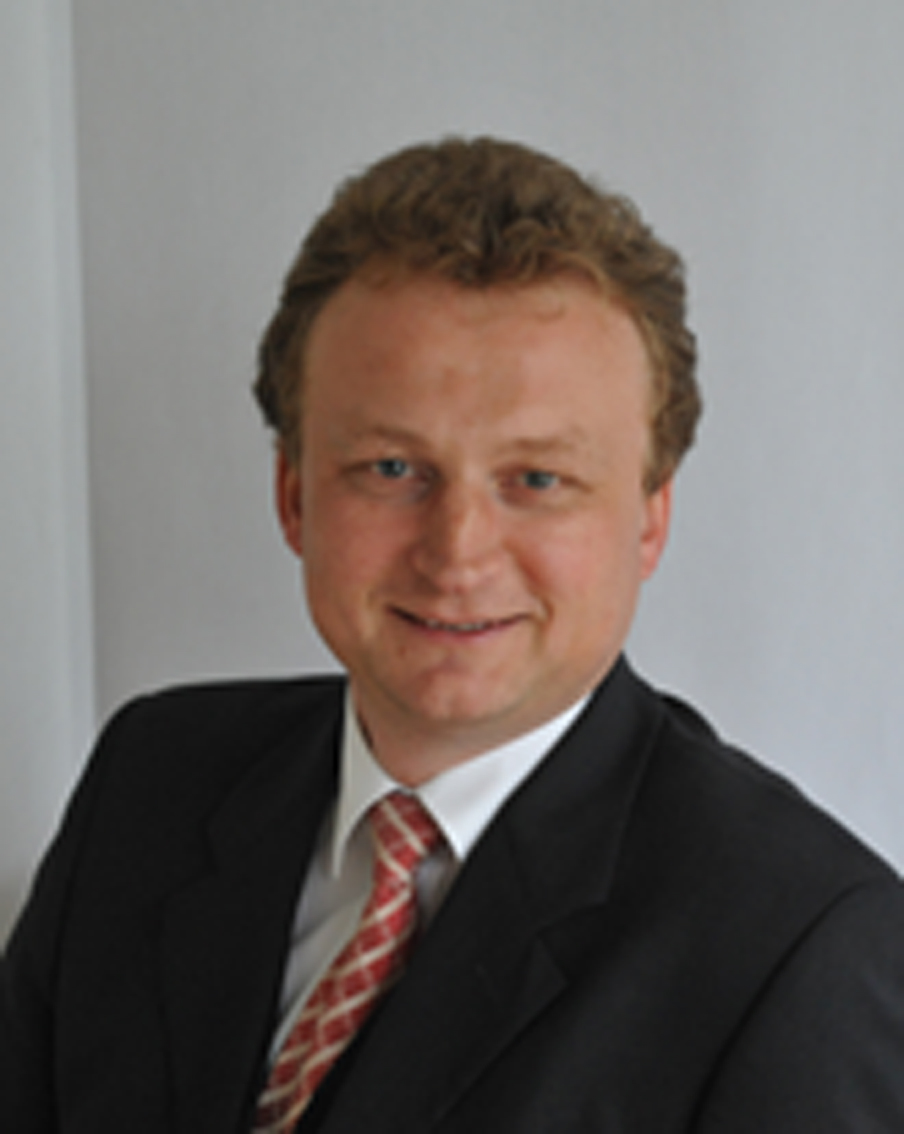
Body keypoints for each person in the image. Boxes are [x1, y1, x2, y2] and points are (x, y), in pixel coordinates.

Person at [2, 136, 903, 1133]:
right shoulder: (152, 780)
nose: (457, 553)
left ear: (649, 519)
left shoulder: (801, 949)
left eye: (538, 479)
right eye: (391, 469)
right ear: (294, 493)